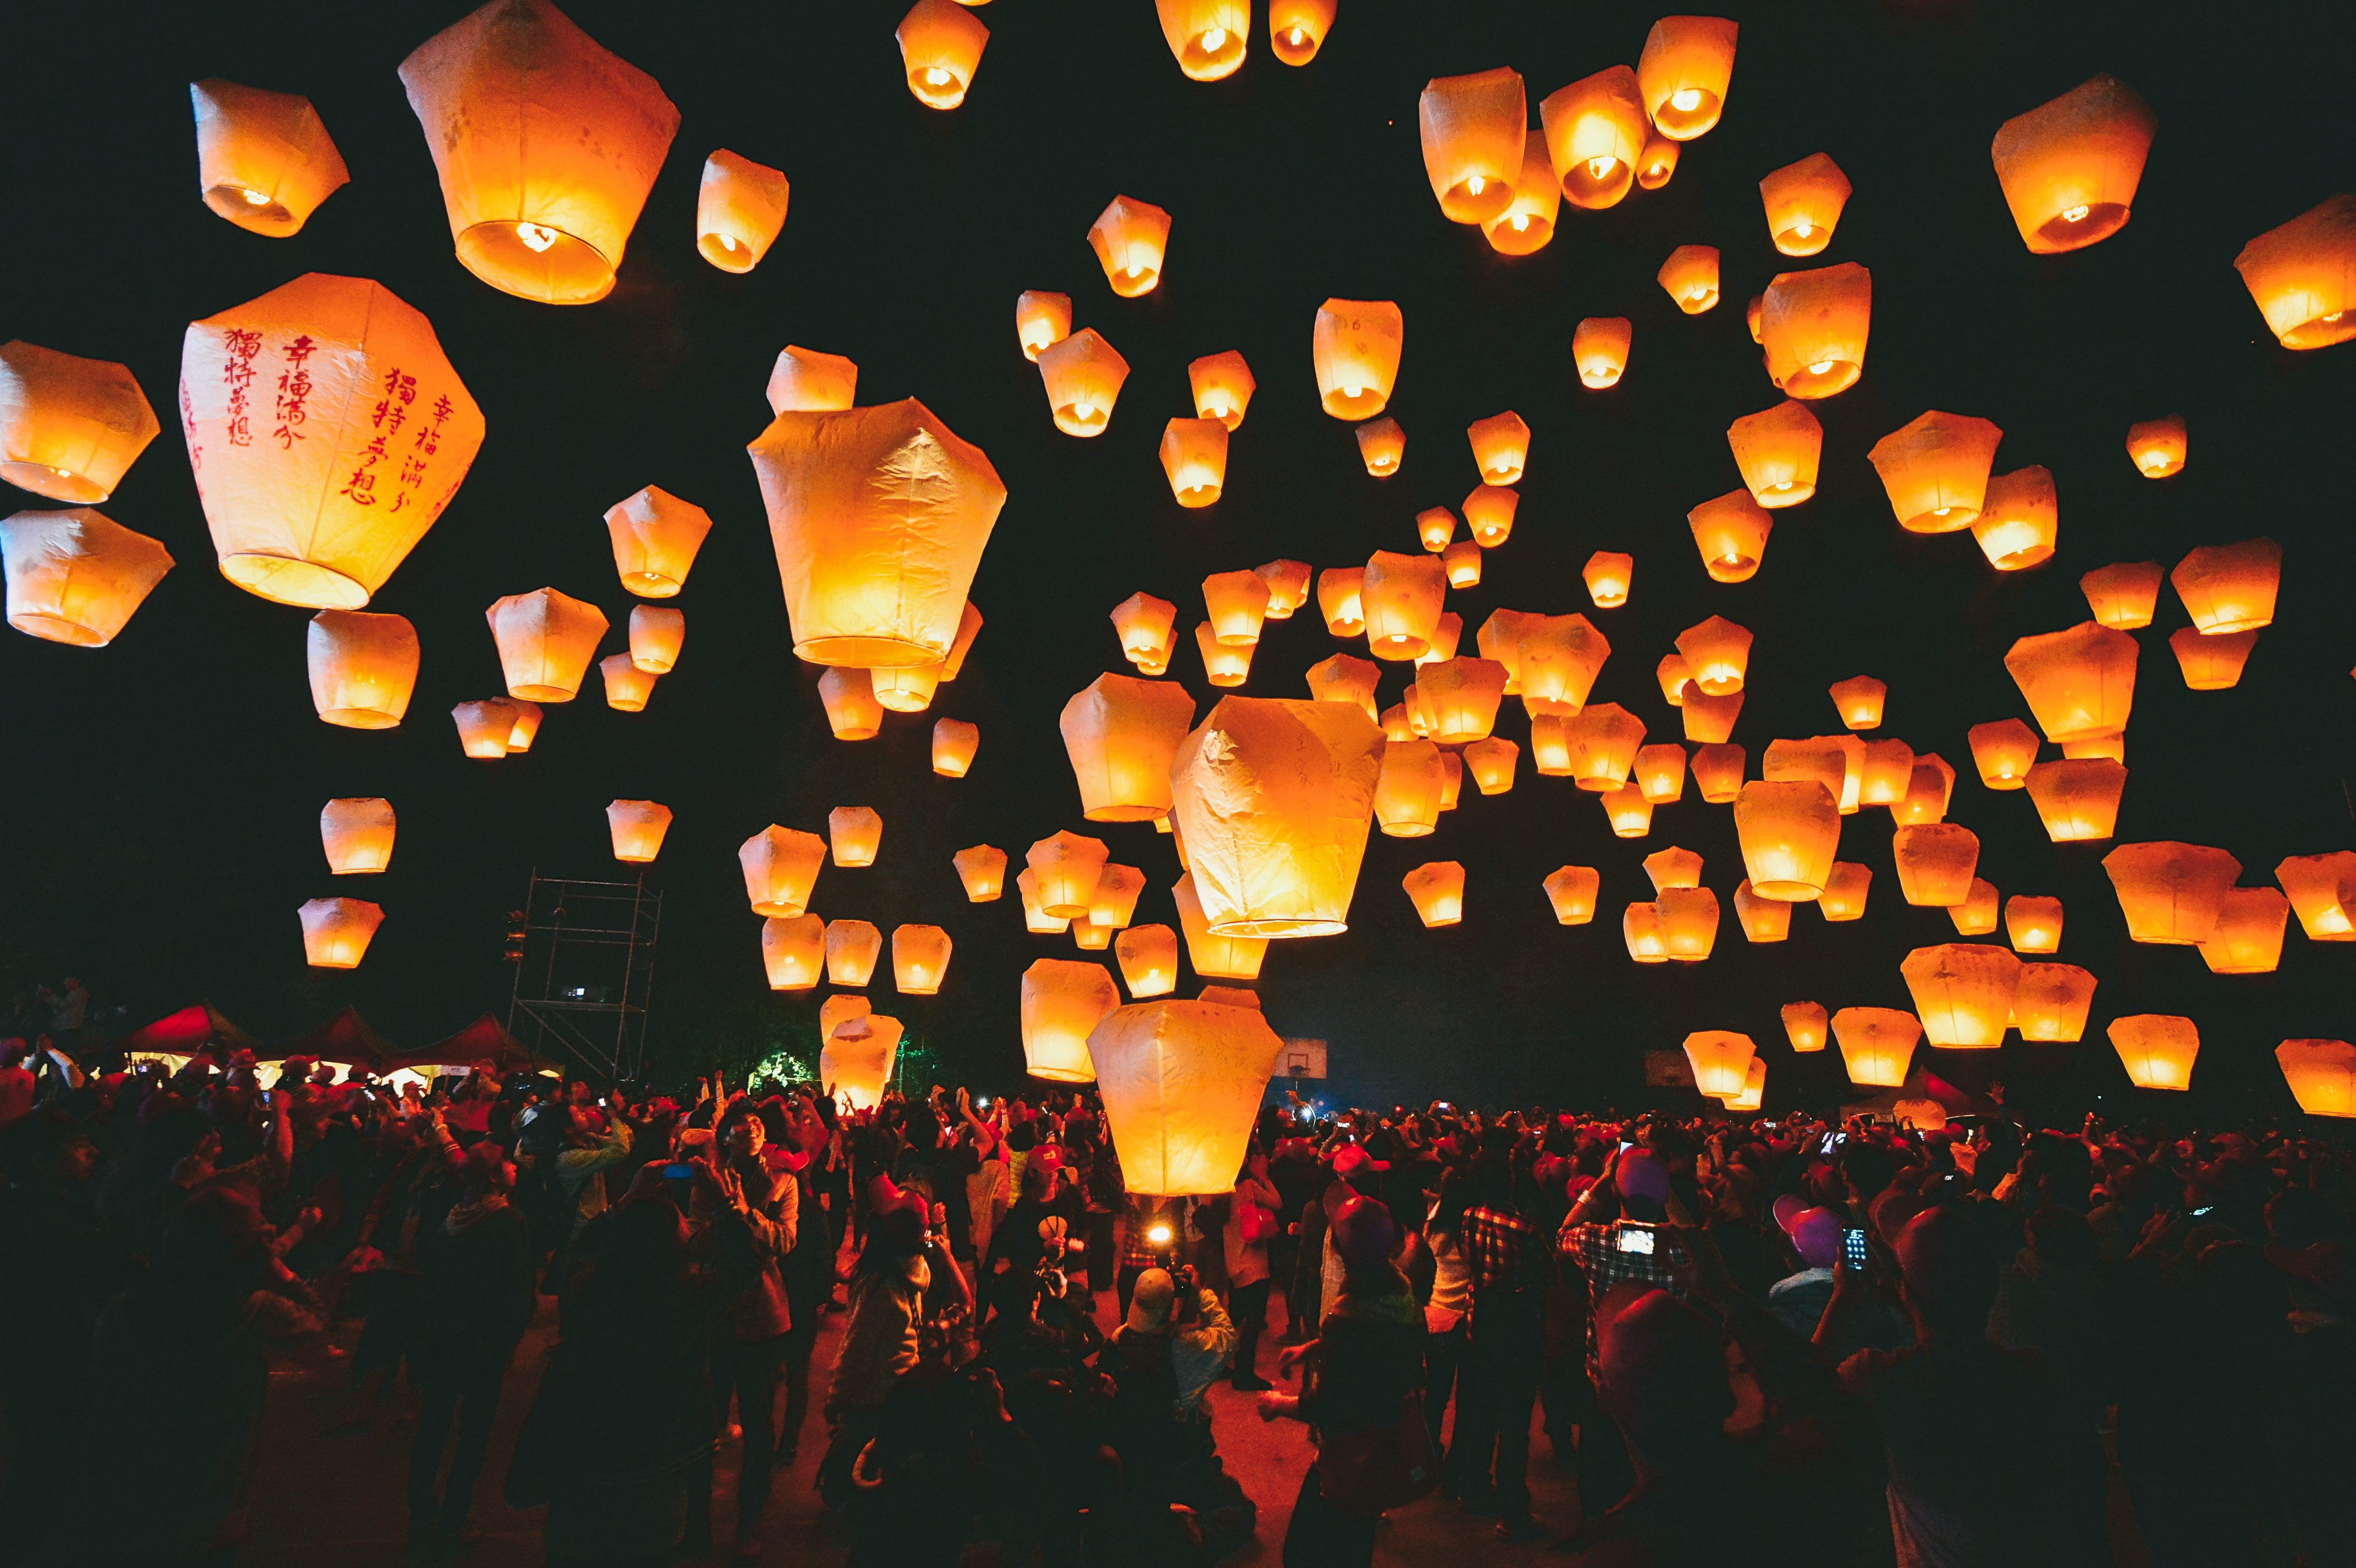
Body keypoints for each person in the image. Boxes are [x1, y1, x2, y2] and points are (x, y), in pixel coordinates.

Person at [1825, 1204, 2111, 1567]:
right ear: (1993, 1286)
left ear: (1905, 1293)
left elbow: (1797, 1394)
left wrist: (1842, 1300)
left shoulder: (1879, 1378)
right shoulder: (2039, 1375)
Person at [1257, 1195, 1426, 1568]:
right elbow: (1376, 1343)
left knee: (1305, 1553)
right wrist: (1317, 1346)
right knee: (1355, 1546)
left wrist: (1277, 1404)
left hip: (1352, 1454)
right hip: (1386, 1437)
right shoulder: (1401, 1292)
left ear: (1339, 1252)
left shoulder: (1348, 1319)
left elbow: (1327, 1406)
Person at [405, 1138, 535, 1560]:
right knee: (473, 1435)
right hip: (484, 1346)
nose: (516, 1170)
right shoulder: (508, 1223)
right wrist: (510, 1340)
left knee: (434, 1428)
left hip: (443, 1339)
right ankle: (455, 1522)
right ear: (496, 1177)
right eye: (509, 1166)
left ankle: (421, 1513)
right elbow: (516, 1292)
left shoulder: (452, 1219)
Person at [687, 1101, 797, 1559]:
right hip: (716, 1317)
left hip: (763, 1318)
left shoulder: (783, 1182)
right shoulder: (706, 1180)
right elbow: (696, 1239)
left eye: (756, 1124)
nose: (750, 1129)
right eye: (740, 1124)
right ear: (726, 1136)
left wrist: (738, 1210)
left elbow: (784, 1242)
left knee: (758, 1425)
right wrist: (728, 1215)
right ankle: (696, 1523)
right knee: (703, 1425)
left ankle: (750, 1520)